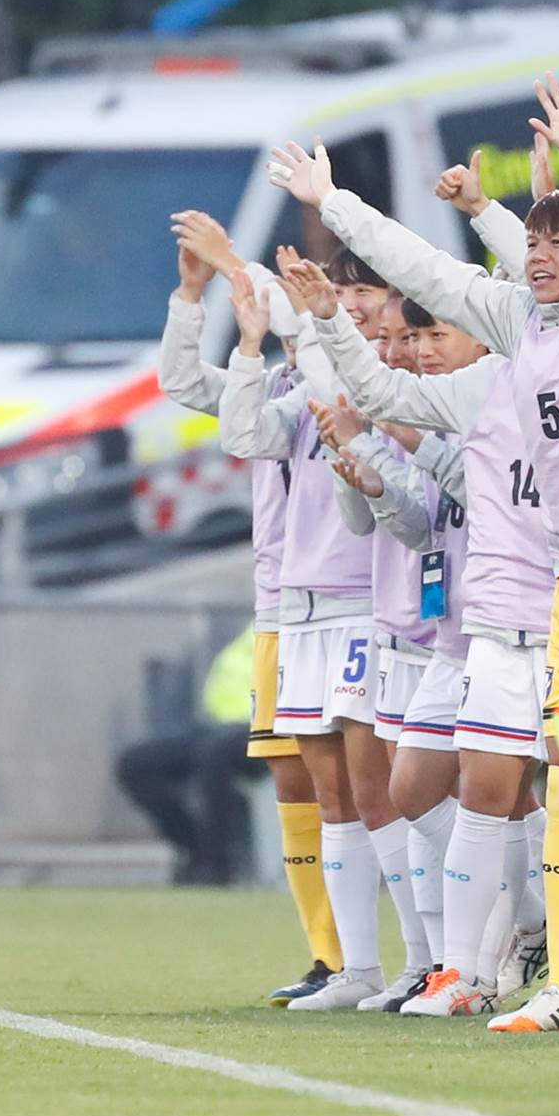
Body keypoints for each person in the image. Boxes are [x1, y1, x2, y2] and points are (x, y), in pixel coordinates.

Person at [272, 76, 559, 1032]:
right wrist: (336, 208)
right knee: (485, 791)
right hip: (502, 613)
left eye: (557, 240)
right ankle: (473, 968)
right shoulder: (509, 341)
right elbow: (428, 276)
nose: (540, 255)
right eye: (532, 240)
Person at [219, 257, 426, 1012]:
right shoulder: (303, 383)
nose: (347, 306)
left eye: (361, 293)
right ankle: (357, 970)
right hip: (300, 607)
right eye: (338, 294)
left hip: (364, 606)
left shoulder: (382, 382)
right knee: (333, 795)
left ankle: (430, 962)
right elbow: (243, 432)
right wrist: (247, 345)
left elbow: (346, 396)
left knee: (381, 793)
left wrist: (305, 321)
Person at [158, 213, 342, 1005]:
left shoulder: (343, 383)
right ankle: (330, 956)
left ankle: (426, 955)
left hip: (344, 608)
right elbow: (181, 387)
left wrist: (236, 264)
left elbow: (296, 357)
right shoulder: (269, 385)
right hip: (278, 611)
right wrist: (193, 298)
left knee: (366, 791)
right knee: (296, 786)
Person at [114, 627, 267, 884]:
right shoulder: (261, 620)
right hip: (220, 726)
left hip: (273, 729)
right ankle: (193, 850)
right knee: (136, 764)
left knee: (214, 756)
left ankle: (217, 867)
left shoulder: (309, 620)